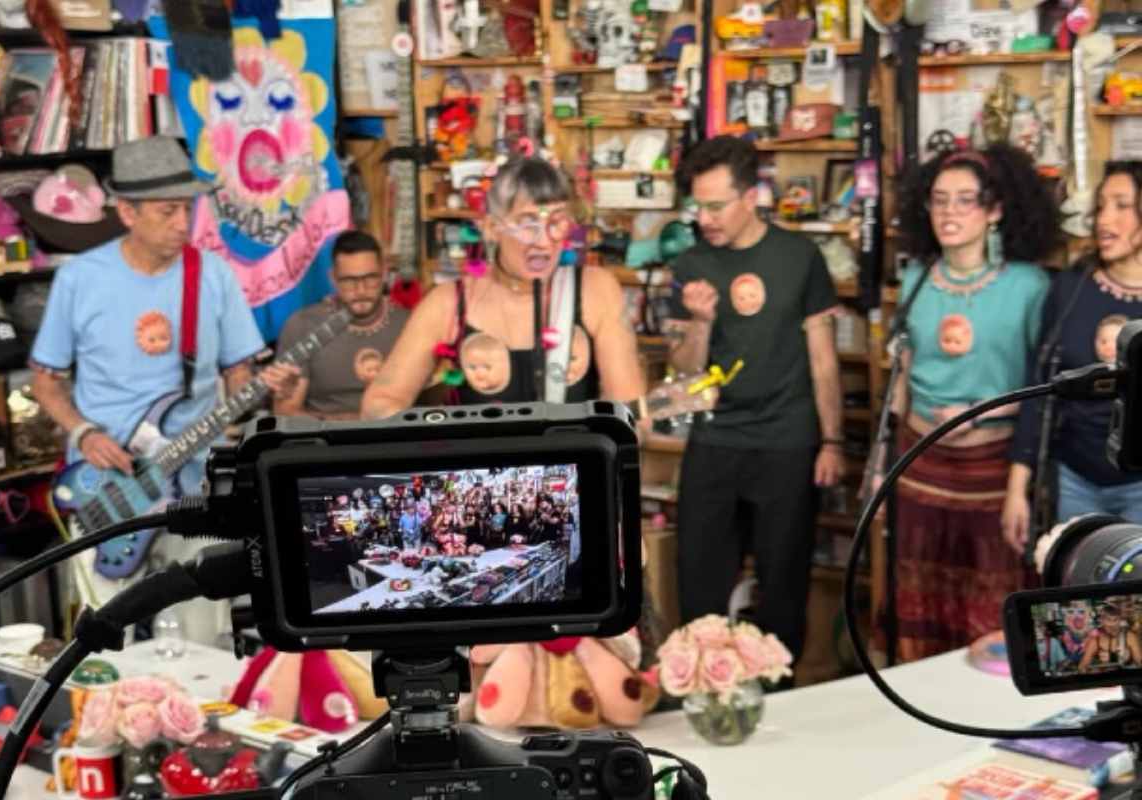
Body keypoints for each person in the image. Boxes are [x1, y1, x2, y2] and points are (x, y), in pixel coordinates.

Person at [30, 136, 300, 645]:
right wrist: (84, 432)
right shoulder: (80, 280)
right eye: (167, 211)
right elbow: (44, 382)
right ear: (127, 212)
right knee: (103, 635)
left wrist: (244, 411)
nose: (183, 224)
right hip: (106, 485)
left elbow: (240, 373)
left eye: (187, 210)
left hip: (193, 484)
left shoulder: (213, 275)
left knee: (200, 633)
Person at [668, 135, 844, 663]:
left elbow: (823, 360)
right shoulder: (691, 263)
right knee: (699, 580)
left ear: (752, 197)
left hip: (787, 441)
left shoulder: (799, 256)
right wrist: (700, 323)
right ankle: (700, 692)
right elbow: (685, 375)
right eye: (698, 205)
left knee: (783, 581)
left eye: (716, 205)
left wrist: (832, 441)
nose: (705, 218)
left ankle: (779, 695)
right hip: (715, 438)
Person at [889, 143, 1057, 661]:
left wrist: (989, 420)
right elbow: (903, 371)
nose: (949, 212)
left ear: (995, 210)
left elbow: (1041, 387)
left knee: (994, 604)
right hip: (921, 462)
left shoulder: (1030, 286)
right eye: (939, 200)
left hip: (993, 471)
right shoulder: (915, 278)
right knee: (921, 600)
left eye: (966, 200)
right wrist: (882, 463)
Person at [360, 156, 645, 418]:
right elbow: (379, 403)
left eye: (556, 222)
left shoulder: (596, 290)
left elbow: (630, 411)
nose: (544, 241)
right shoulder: (449, 303)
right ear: (491, 228)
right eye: (527, 223)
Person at [1004, 163, 1142, 548]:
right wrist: (1017, 488)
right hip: (1074, 480)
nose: (1104, 218)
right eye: (1100, 206)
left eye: (1121, 205)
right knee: (1078, 599)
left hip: (1139, 488)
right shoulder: (1071, 287)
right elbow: (1038, 386)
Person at [274, 231, 410, 419]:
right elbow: (286, 411)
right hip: (325, 441)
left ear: (384, 274)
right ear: (333, 278)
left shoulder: (410, 325)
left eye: (370, 278)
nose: (361, 290)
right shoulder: (303, 326)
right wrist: (348, 425)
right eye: (349, 281)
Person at [1078, 603, 1142, 672]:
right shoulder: (1095, 640)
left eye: (1115, 620)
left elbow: (1140, 661)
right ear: (1102, 621)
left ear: (1120, 620)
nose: (1112, 624)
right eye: (1108, 620)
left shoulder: (1129, 637)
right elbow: (1082, 667)